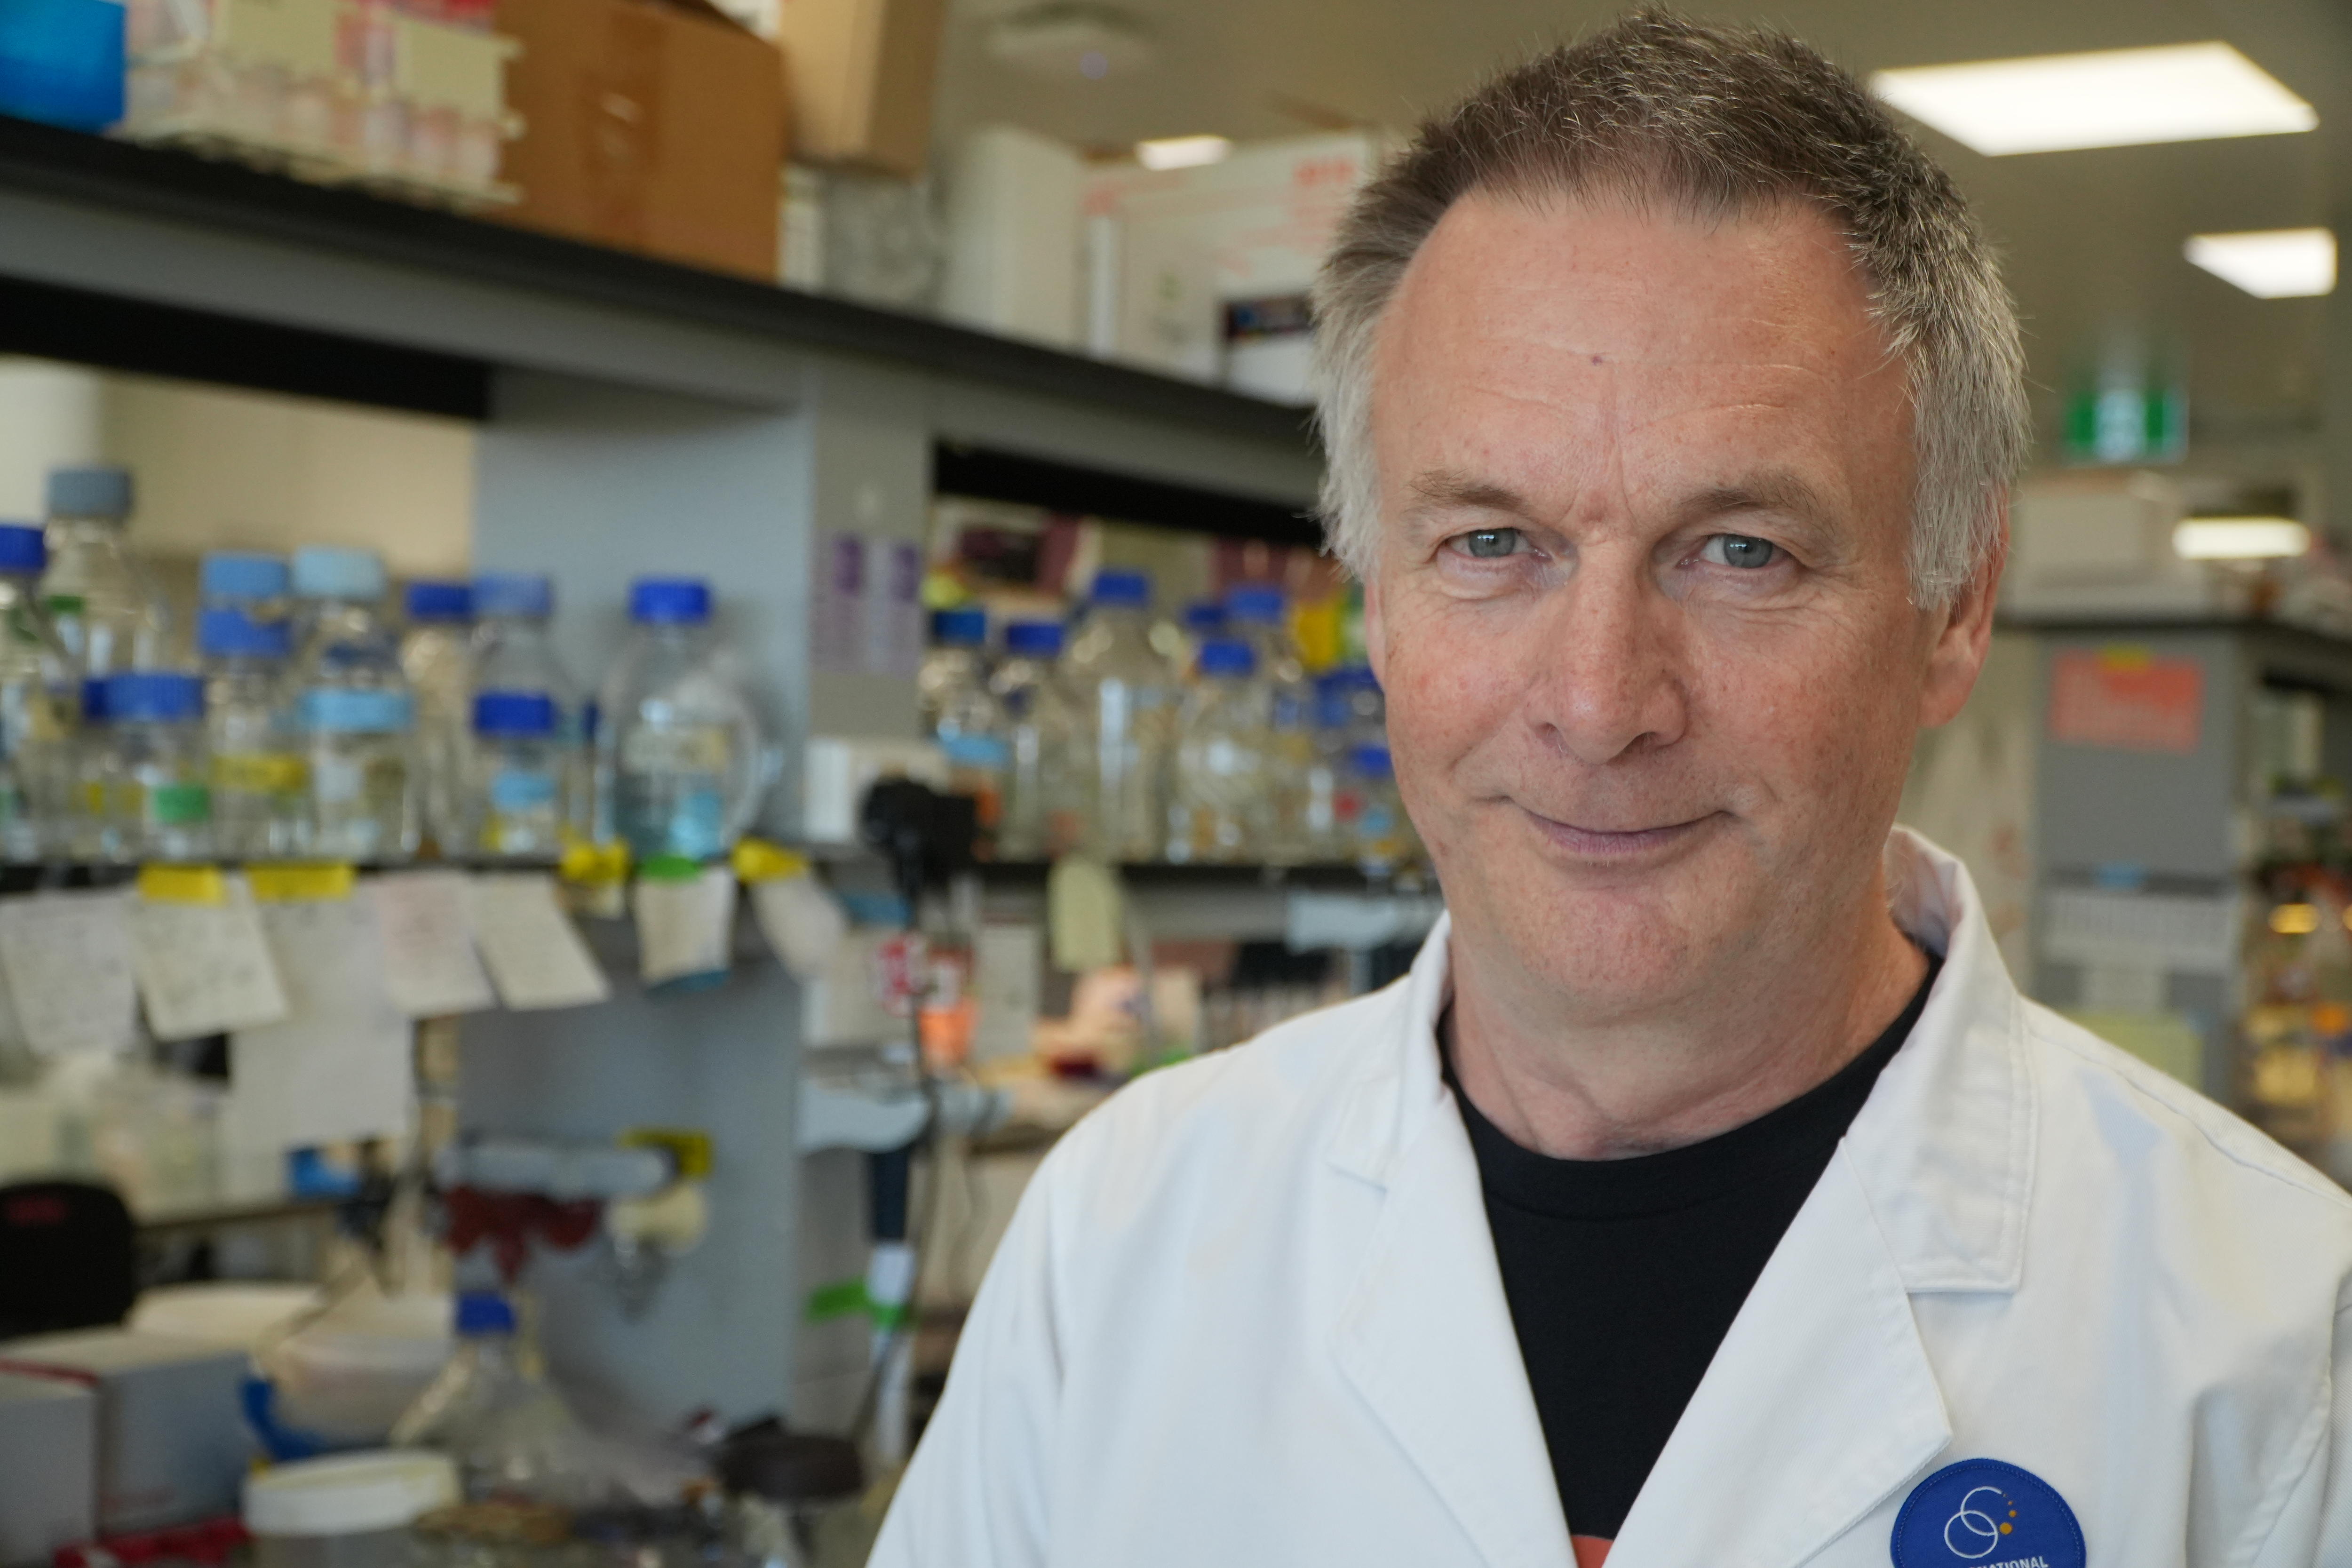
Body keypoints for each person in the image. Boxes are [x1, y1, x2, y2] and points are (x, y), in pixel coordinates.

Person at [871, 13, 2352, 1567]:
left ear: (1955, 609)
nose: (1597, 705)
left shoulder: (2267, 1343)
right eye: (1491, 544)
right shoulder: (1122, 1232)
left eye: (1741, 552)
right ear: (1377, 599)